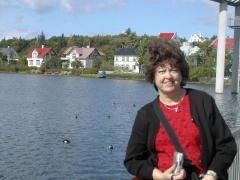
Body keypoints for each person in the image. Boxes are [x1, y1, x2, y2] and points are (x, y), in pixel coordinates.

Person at [124, 39, 237, 180]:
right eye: (162, 71)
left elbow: (227, 146)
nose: (168, 76)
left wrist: (212, 174)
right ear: (153, 77)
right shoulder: (145, 114)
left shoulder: (202, 102)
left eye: (173, 70)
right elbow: (132, 160)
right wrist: (159, 176)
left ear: (181, 74)